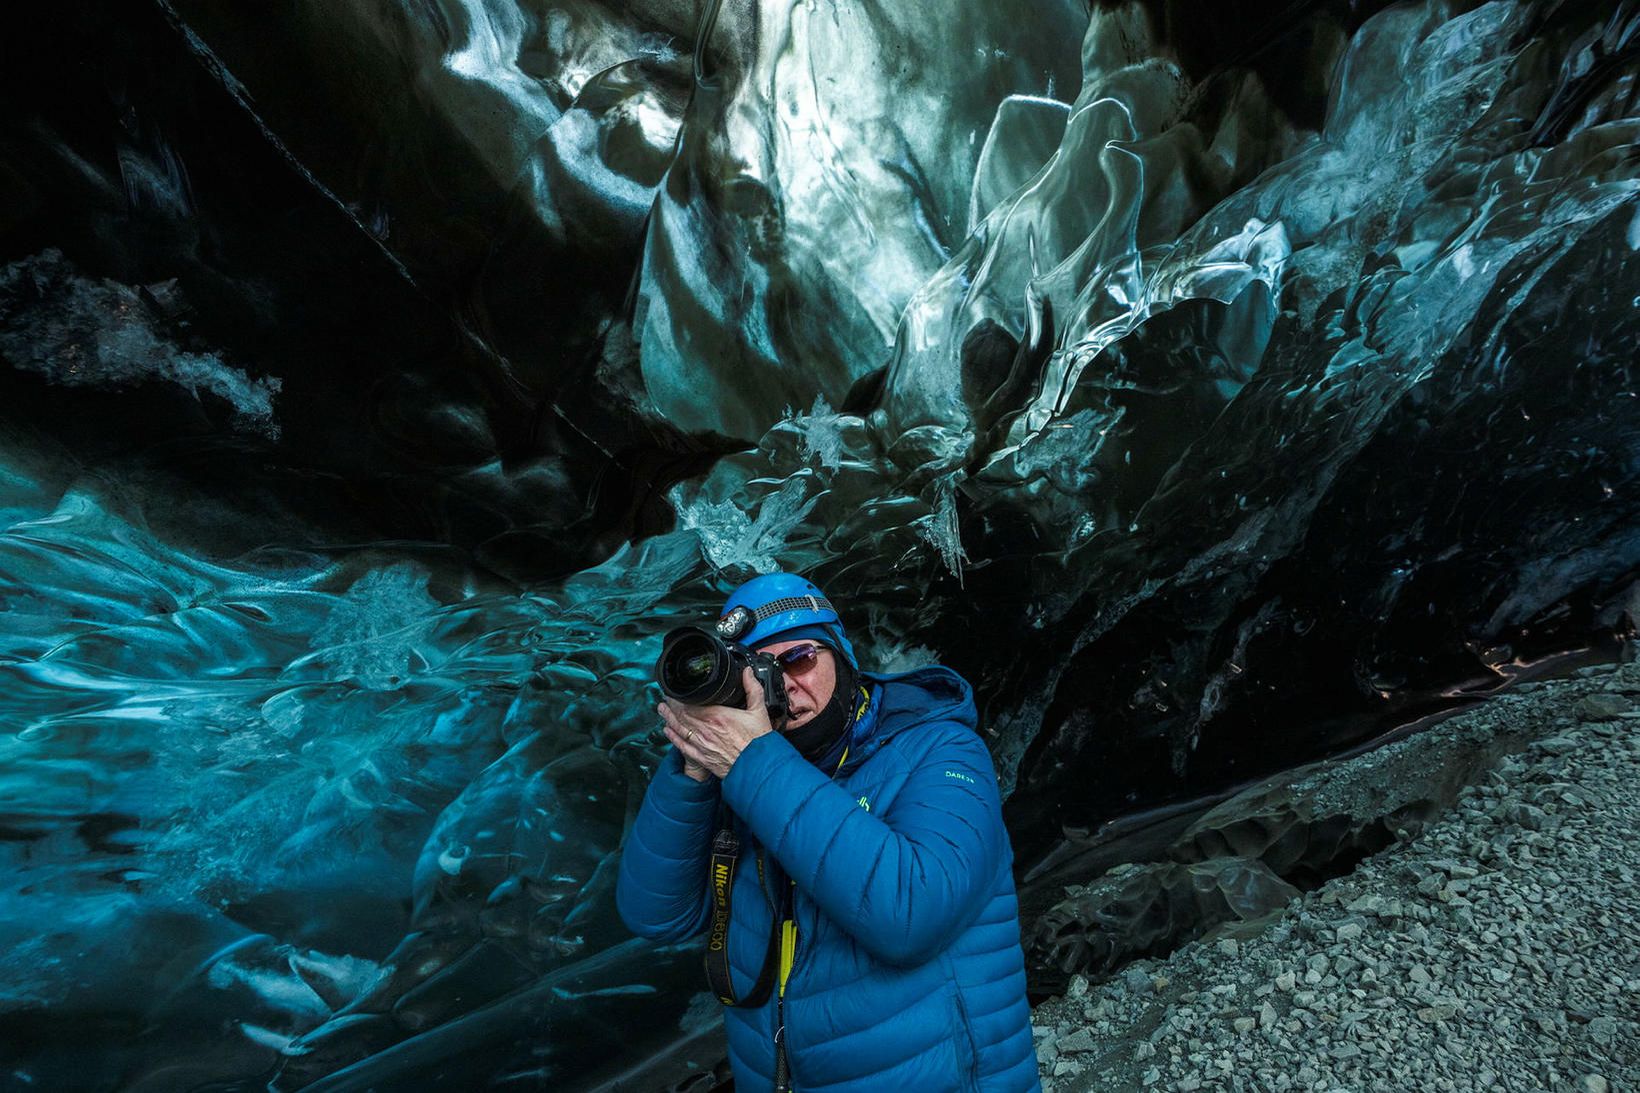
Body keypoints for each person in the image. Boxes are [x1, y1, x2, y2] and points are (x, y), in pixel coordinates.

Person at [616, 572, 1041, 1092]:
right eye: (760, 671)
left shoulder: (942, 750)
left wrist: (755, 765)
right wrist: (693, 771)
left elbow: (912, 916)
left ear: (841, 654)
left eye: (799, 659)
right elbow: (657, 916)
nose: (785, 685)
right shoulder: (744, 778)